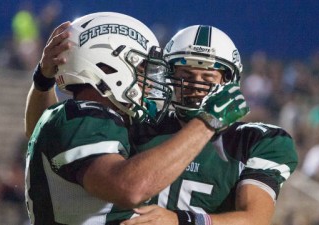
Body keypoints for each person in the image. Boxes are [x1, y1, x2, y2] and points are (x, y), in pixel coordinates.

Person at [25, 13, 248, 225]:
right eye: (142, 68)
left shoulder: (77, 118)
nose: (149, 83)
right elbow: (129, 188)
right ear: (107, 65)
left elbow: (39, 130)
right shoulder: (84, 116)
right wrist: (208, 122)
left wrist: (43, 81)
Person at [119, 25, 298, 225]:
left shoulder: (255, 141)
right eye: (186, 76)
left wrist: (179, 221)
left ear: (228, 82)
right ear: (168, 77)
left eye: (207, 78)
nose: (196, 86)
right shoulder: (138, 125)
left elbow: (254, 219)